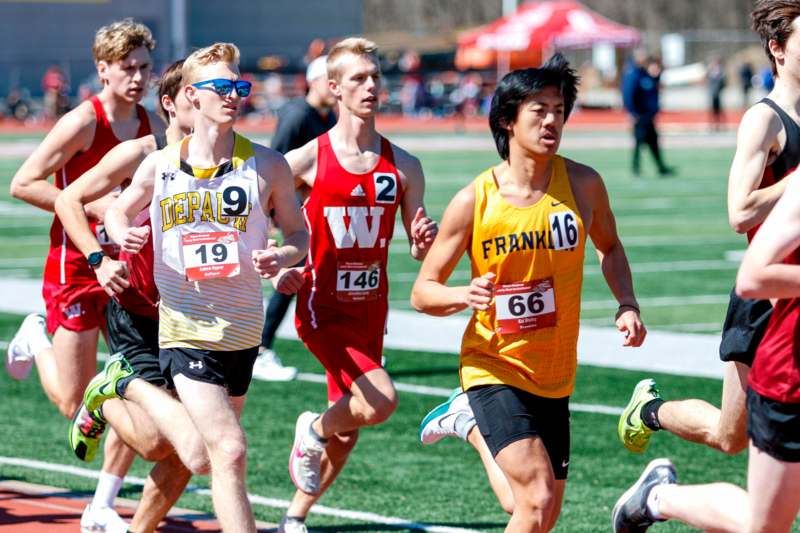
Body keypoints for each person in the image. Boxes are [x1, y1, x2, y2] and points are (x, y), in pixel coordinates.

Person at [413, 54, 645, 531]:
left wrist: (627, 303)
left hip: (555, 373)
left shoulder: (583, 185)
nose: (551, 120)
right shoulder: (474, 200)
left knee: (533, 509)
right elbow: (423, 291)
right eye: (538, 109)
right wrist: (464, 295)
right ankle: (474, 413)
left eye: (558, 109)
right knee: (536, 496)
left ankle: (471, 427)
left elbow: (611, 246)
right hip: (493, 364)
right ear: (506, 120)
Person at [84, 42, 308, 532]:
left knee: (196, 455)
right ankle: (126, 381)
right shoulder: (161, 166)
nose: (232, 96)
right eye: (221, 88)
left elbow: (299, 234)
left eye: (239, 87)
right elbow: (119, 207)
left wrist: (282, 256)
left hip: (242, 334)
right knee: (229, 449)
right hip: (185, 329)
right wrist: (122, 233)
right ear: (192, 96)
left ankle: (118, 384)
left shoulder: (268, 166)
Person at [612, 3, 800, 532]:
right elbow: (739, 212)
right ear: (778, 49)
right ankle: (651, 420)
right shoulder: (765, 119)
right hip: (765, 302)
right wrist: (796, 182)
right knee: (728, 435)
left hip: (797, 302)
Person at [272, 37, 437, 533]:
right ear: (333, 88)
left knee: (351, 429)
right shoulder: (306, 159)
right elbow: (257, 214)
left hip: (372, 311)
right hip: (324, 306)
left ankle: (293, 518)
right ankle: (312, 428)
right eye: (358, 78)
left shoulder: (403, 166)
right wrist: (282, 263)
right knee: (380, 401)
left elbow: (417, 242)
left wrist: (423, 239)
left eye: (374, 77)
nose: (370, 86)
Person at [6, 19, 161, 532]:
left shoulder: (152, 125)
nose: (137, 78)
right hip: (77, 263)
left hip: (131, 270)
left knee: (130, 387)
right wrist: (95, 206)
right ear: (102, 70)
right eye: (126, 68)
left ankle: (102, 504)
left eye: (143, 67)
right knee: (76, 401)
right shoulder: (82, 122)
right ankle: (36, 338)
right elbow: (23, 183)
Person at [55, 60, 195, 533]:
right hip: (139, 312)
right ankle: (106, 389)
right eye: (199, 92)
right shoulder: (141, 153)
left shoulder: (231, 161)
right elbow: (66, 200)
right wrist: (99, 258)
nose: (215, 101)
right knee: (158, 443)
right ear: (172, 103)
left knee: (193, 449)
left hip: (200, 320)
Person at [252, 54, 337, 382]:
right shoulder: (298, 115)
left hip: (310, 214)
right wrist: (275, 213)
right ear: (314, 81)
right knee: (289, 280)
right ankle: (260, 348)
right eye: (330, 78)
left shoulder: (325, 116)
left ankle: (338, 343)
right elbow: (277, 163)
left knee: (312, 281)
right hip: (293, 216)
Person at [622, 50, 673, 177]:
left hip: (649, 116)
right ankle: (636, 167)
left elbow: (654, 85)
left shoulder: (645, 73)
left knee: (653, 142)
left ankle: (660, 167)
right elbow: (628, 95)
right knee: (639, 142)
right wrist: (632, 113)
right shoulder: (633, 74)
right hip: (640, 116)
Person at [707, 55, 727, 131]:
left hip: (718, 93)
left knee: (720, 110)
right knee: (713, 110)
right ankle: (713, 125)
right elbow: (708, 79)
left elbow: (723, 82)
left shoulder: (721, 72)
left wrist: (720, 89)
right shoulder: (711, 71)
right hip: (712, 93)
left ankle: (721, 124)